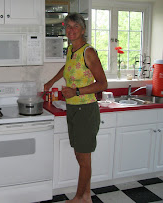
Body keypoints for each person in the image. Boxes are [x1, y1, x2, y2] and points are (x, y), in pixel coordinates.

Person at [44, 13, 107, 203]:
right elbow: (66, 69)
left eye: (75, 27)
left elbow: (103, 84)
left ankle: (79, 198)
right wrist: (51, 81)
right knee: (81, 156)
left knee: (83, 157)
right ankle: (86, 196)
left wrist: (77, 91)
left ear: (83, 30)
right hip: (73, 109)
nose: (71, 30)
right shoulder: (71, 49)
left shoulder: (88, 52)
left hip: (86, 110)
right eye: (68, 26)